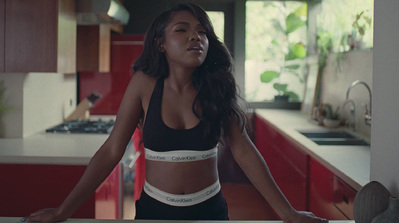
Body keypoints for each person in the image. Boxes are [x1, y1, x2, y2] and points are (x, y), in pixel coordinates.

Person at [27, 3, 327, 222]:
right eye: (182, 30)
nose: (195, 37)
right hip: (154, 212)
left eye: (202, 32)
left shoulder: (217, 87)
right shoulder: (143, 84)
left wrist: (288, 213)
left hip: (211, 211)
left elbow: (245, 152)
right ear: (161, 43)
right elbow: (111, 150)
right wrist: (62, 211)